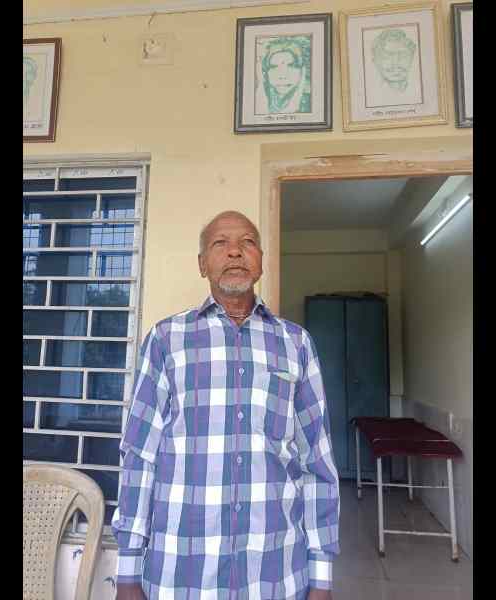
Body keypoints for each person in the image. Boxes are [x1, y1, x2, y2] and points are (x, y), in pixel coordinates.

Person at [112, 211, 340, 600]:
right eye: (220, 243)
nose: (235, 251)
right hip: (178, 574)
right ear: (202, 264)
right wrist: (129, 570)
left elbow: (316, 463)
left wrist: (321, 578)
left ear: (262, 260)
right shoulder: (167, 340)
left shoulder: (297, 344)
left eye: (248, 242)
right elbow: (139, 457)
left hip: (276, 572)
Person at [365, 28, 421, 107]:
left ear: (412, 58)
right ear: (375, 62)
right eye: (387, 57)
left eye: (403, 56)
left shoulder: (419, 93)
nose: (395, 63)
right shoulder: (371, 97)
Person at [257, 36, 312, 115]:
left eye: (291, 66)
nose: (282, 76)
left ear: (302, 70)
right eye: (274, 67)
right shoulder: (258, 101)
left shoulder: (310, 103)